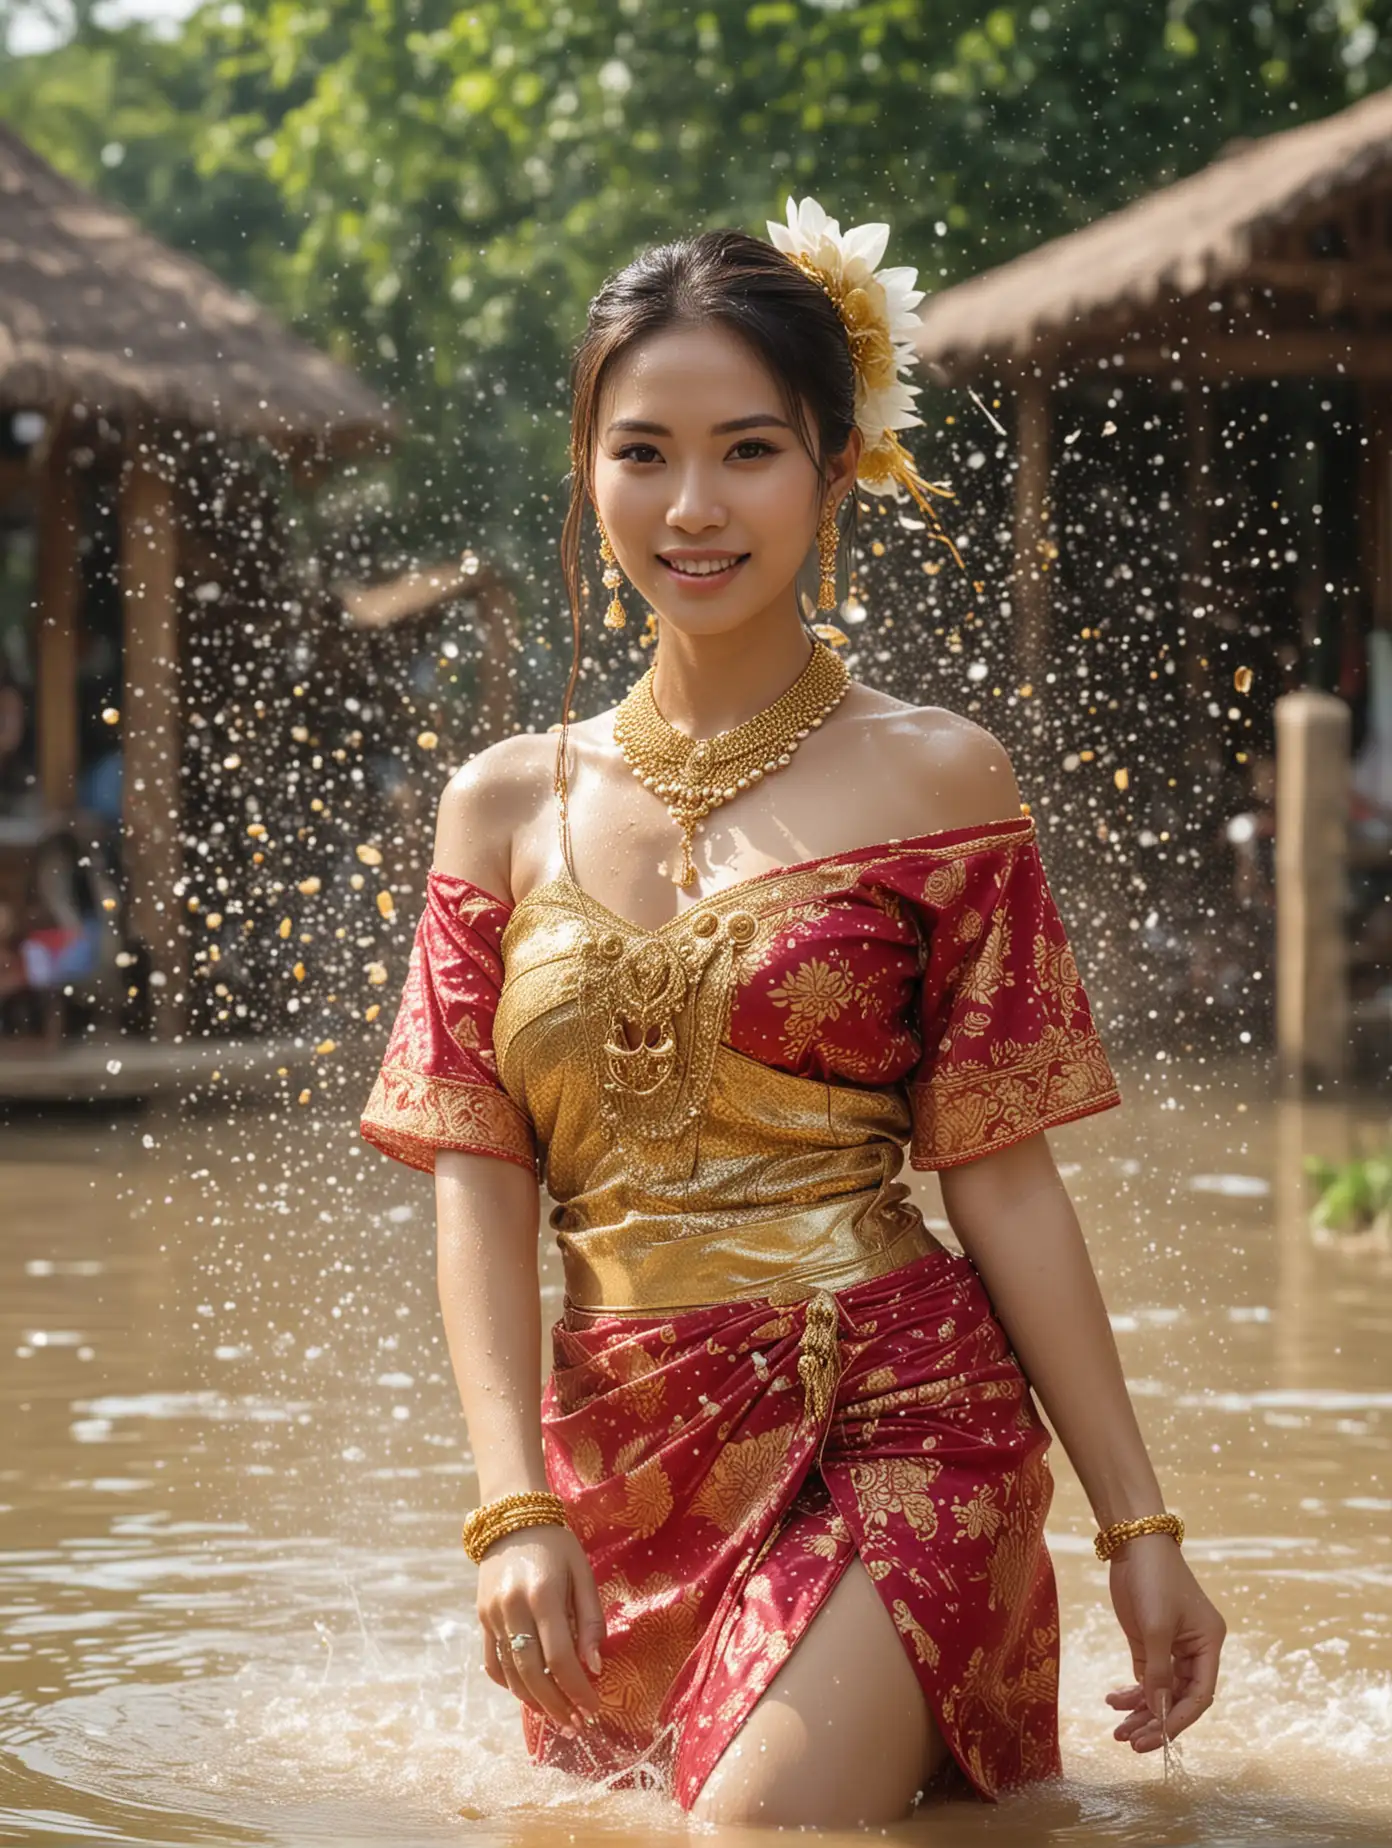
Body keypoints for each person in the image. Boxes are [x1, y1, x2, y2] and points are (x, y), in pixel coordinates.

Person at [361, 197, 1226, 1828]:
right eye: (643, 452)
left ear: (838, 471)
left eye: (749, 450)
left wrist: (1140, 1532)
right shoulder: (498, 811)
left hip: (891, 1411)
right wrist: (509, 1506)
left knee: (762, 1824)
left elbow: (1004, 1175)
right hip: (623, 1454)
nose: (694, 505)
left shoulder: (940, 776)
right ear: (587, 470)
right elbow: (483, 1182)